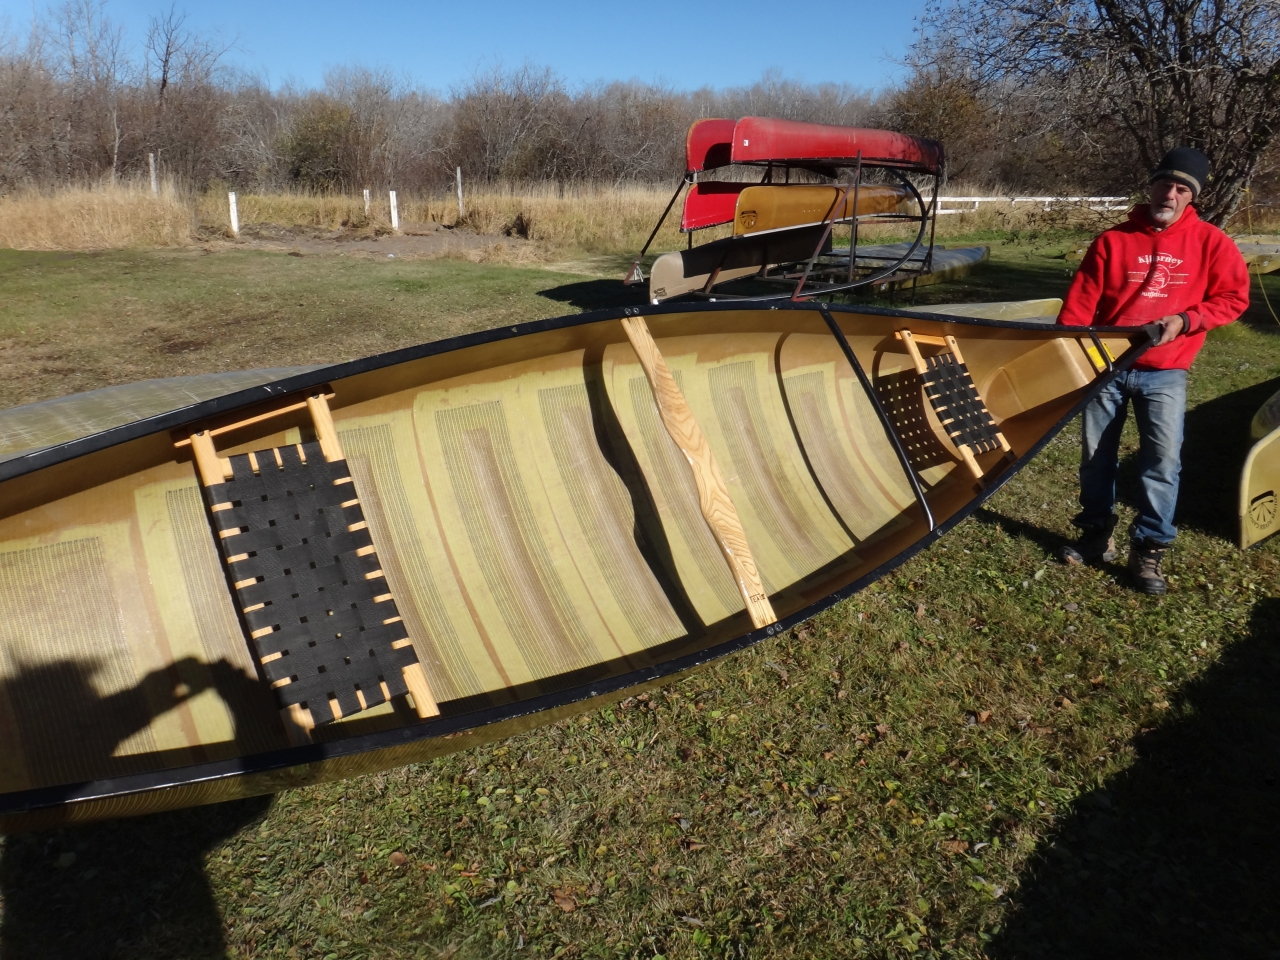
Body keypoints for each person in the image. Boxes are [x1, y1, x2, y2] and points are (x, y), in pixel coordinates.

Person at [1056, 147, 1250, 594]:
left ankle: (1149, 549)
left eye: (1182, 188)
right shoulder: (1112, 241)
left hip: (1166, 372)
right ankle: (1095, 535)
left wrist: (1186, 320)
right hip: (1106, 368)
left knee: (1162, 462)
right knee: (1096, 459)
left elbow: (1234, 298)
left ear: (1192, 196)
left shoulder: (1211, 242)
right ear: (1151, 187)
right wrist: (1070, 358)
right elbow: (1078, 308)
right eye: (1165, 183)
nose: (1171, 194)